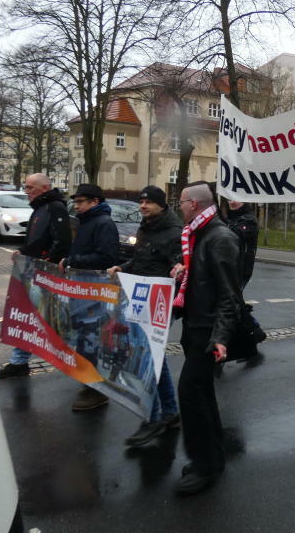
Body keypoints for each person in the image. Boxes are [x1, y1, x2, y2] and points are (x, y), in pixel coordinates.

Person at [172, 182, 241, 496]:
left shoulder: (220, 238)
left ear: (195, 205)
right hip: (195, 328)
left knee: (189, 392)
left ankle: (205, 466)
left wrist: (220, 338)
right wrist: (182, 274)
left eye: (182, 201)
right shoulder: (197, 235)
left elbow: (230, 297)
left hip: (209, 333)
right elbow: (202, 280)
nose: (179, 206)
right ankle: (212, 456)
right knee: (201, 394)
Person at [108, 185, 182, 445]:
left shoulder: (174, 233)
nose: (142, 205)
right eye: (141, 201)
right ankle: (170, 412)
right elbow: (142, 261)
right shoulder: (146, 227)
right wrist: (123, 267)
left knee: (147, 359)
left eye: (148, 202)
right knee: (154, 360)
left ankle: (153, 418)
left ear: (161, 205)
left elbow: (178, 267)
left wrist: (178, 270)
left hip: (161, 305)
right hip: (142, 301)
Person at [0, 173, 71, 379]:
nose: (26, 192)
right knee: (27, 315)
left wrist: (48, 263)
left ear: (44, 188)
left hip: (44, 273)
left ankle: (80, 361)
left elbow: (61, 241)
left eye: (30, 188)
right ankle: (19, 362)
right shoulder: (40, 208)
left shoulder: (54, 208)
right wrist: (23, 250)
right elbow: (37, 239)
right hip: (33, 270)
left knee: (51, 320)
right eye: (25, 187)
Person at [62, 183, 119, 411]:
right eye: (75, 202)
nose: (76, 206)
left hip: (94, 292)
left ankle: (97, 390)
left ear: (95, 202)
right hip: (83, 291)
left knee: (91, 338)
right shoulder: (88, 222)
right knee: (83, 337)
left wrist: (73, 261)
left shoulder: (103, 223)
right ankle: (90, 383)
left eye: (80, 202)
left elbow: (107, 257)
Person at [225, 199, 267, 342]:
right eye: (229, 198)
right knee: (233, 302)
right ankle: (254, 331)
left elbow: (235, 236)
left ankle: (250, 332)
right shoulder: (230, 218)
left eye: (235, 198)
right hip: (228, 268)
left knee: (231, 302)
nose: (232, 201)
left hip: (241, 270)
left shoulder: (248, 220)